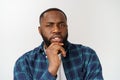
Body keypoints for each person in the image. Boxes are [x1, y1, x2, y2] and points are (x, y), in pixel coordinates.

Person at [14, 8, 104, 80]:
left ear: (67, 28)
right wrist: (52, 69)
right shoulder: (24, 62)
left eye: (61, 25)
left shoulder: (87, 55)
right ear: (40, 30)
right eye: (49, 25)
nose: (56, 30)